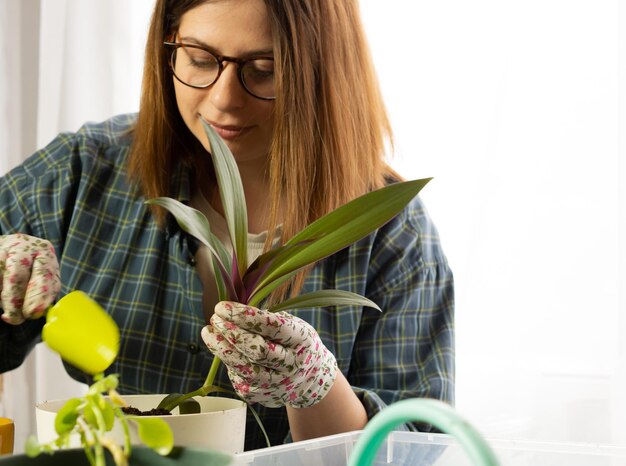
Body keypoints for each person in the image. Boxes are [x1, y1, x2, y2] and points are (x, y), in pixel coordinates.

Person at [0, 0, 454, 451]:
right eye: (199, 59)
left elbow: (415, 451)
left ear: (324, 72)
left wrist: (314, 384)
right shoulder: (84, 171)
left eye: (264, 70)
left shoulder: (390, 232)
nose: (223, 99)